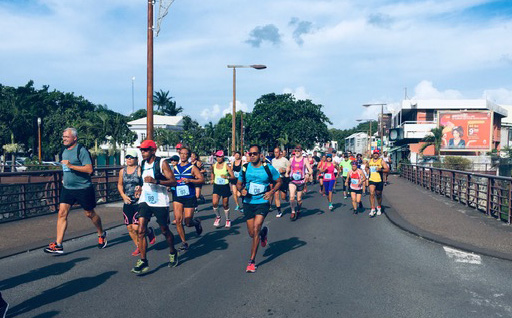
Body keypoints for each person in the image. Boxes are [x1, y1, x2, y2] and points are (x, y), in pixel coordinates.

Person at [44, 128, 107, 254]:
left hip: (83, 188)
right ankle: (58, 244)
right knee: (62, 213)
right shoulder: (63, 150)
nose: (64, 139)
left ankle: (101, 233)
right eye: (63, 137)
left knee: (89, 214)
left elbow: (89, 170)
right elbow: (65, 167)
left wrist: (71, 166)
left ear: (75, 138)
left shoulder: (81, 151)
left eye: (67, 137)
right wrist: (64, 178)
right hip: (68, 188)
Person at [131, 140, 179, 275]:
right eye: (141, 150)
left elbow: (173, 182)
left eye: (145, 150)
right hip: (145, 200)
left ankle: (172, 252)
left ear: (153, 150)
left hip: (159, 201)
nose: (142, 152)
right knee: (140, 230)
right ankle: (143, 261)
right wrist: (139, 188)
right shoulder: (142, 164)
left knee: (164, 230)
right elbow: (142, 181)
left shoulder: (162, 163)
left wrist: (156, 181)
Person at [237, 144, 282, 273]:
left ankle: (251, 261)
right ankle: (263, 233)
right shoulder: (245, 168)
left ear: (260, 155)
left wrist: (272, 192)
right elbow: (239, 184)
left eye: (254, 154)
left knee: (256, 228)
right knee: (252, 233)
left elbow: (279, 181)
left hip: (262, 201)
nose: (252, 156)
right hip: (248, 201)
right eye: (250, 154)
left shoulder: (268, 168)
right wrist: (242, 190)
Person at [117, 149, 156, 256]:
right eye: (127, 157)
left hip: (139, 201)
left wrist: (141, 189)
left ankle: (148, 232)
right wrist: (123, 195)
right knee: (129, 227)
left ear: (136, 159)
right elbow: (120, 185)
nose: (129, 159)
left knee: (136, 227)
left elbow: (146, 183)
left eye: (131, 157)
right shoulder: (122, 171)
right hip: (127, 201)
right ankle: (139, 246)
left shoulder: (139, 170)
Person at [172, 147, 204, 253]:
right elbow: (171, 180)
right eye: (181, 153)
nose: (183, 156)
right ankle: (184, 242)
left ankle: (196, 223)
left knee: (188, 222)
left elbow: (201, 179)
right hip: (177, 196)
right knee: (178, 220)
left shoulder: (192, 168)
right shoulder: (175, 168)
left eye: (185, 154)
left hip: (189, 196)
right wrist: (169, 185)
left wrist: (190, 180)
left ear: (189, 156)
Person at [285, 144, 313, 221]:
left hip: (301, 181)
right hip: (292, 180)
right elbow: (288, 167)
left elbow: (310, 170)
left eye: (298, 151)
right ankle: (293, 211)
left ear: (301, 152)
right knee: (291, 197)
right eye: (296, 151)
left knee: (299, 199)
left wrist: (308, 174)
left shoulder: (304, 160)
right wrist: (287, 172)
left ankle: (298, 209)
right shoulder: (291, 159)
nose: (297, 152)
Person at [211, 150, 235, 228]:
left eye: (220, 156)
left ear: (223, 157)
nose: (218, 158)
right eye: (217, 156)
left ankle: (227, 219)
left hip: (225, 186)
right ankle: (218, 217)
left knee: (225, 204)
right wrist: (212, 179)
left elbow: (233, 177)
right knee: (214, 203)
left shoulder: (226, 165)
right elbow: (212, 173)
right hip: (217, 186)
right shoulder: (214, 165)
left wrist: (226, 177)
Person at [366, 150, 389, 217]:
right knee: (371, 193)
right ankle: (372, 209)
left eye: (377, 153)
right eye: (374, 153)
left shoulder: (381, 161)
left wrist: (380, 170)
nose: (375, 155)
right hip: (371, 180)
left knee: (378, 194)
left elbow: (387, 169)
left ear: (378, 154)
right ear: (373, 154)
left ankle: (379, 206)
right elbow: (366, 167)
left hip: (379, 180)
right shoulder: (370, 161)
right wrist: (367, 171)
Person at [271, 147, 290, 218]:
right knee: (276, 194)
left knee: (283, 197)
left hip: (283, 179)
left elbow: (289, 169)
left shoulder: (285, 160)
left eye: (277, 152)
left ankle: (286, 197)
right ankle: (279, 211)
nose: (275, 154)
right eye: (275, 152)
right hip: (275, 180)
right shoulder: (273, 160)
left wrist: (284, 171)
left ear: (280, 152)